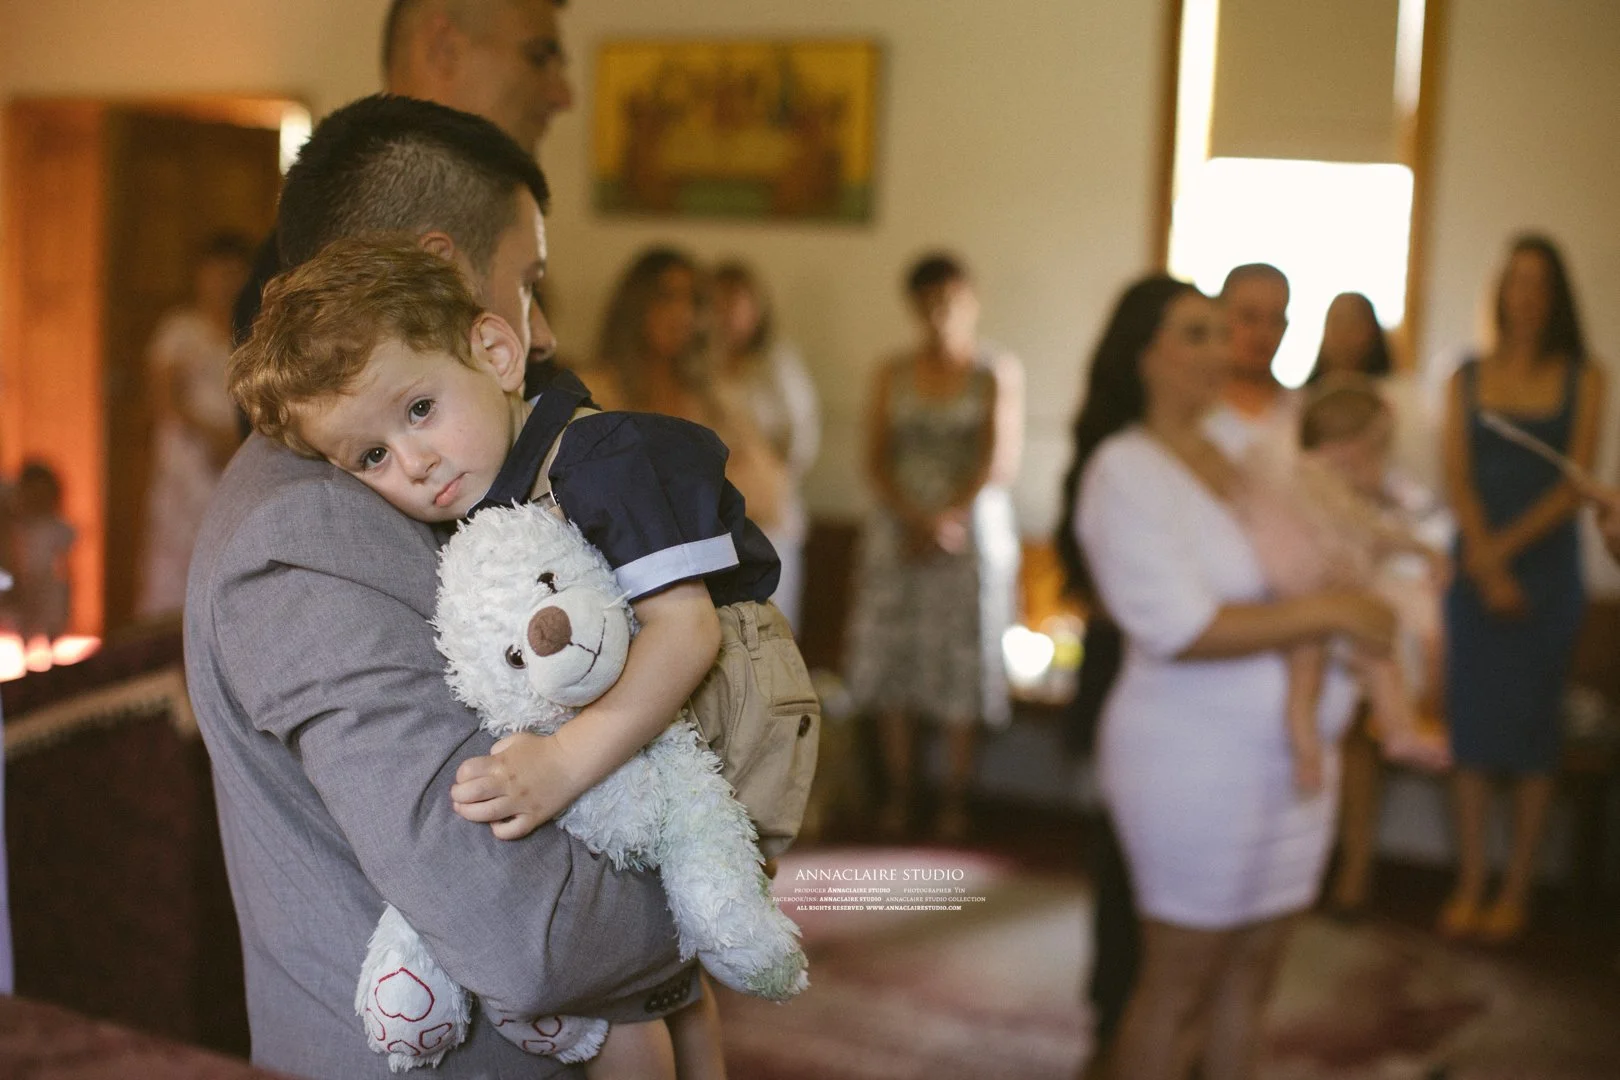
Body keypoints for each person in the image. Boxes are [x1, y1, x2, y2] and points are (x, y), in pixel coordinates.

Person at [185, 95, 696, 1079]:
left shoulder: (400, 480)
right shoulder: (308, 524)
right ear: (453, 268)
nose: (538, 332)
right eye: (528, 282)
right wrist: (721, 873)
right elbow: (522, 934)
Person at [230, 237, 791, 1078]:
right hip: (638, 708)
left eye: (418, 409)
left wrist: (564, 762)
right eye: (371, 457)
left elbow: (689, 632)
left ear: (495, 351)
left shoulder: (602, 458)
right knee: (647, 997)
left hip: (726, 703)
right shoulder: (489, 477)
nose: (413, 463)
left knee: (631, 982)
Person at [1057, 275, 1396, 1080]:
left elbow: (1324, 549)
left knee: (1254, 979)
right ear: (1143, 357)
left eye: (1222, 333)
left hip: (1290, 757)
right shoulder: (1123, 470)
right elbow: (1178, 626)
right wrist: (1334, 614)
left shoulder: (1252, 450)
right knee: (1179, 984)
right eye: (1196, 335)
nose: (1222, 350)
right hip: (1189, 761)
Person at [1438, 233, 1605, 944]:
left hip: (1544, 572)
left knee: (1534, 736)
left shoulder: (1585, 375)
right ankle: (1472, 879)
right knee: (1471, 736)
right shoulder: (1465, 375)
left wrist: (1504, 555)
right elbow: (1457, 472)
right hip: (1474, 569)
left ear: (1557, 295)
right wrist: (1482, 555)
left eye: (1539, 283)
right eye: (1515, 281)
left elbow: (1578, 481)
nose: (1525, 295)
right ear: (1500, 291)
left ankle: (1517, 887)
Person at [233, 0, 574, 343]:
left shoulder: (508, 248)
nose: (564, 96)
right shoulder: (309, 271)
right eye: (538, 57)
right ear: (445, 48)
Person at [843, 253, 1015, 843]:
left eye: (950, 298)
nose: (940, 311)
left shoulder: (995, 372)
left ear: (971, 299)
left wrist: (949, 517)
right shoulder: (892, 372)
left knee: (958, 666)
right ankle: (899, 793)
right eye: (928, 300)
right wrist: (915, 516)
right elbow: (874, 456)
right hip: (898, 532)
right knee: (895, 663)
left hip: (967, 536)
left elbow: (999, 458)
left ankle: (955, 801)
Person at [1233, 378, 1451, 794]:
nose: (1380, 465)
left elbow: (1375, 532)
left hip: (1342, 595)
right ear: (1349, 444)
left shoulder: (1338, 484)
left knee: (1380, 651)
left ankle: (1397, 731)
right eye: (1376, 451)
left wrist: (1424, 550)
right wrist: (1418, 548)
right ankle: (1306, 748)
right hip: (1307, 596)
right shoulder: (1309, 476)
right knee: (1308, 667)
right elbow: (1362, 530)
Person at [136, 233, 253, 619]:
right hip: (188, 458)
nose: (225, 282)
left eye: (235, 273)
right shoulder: (179, 329)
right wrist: (212, 436)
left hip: (239, 456)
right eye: (217, 273)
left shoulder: (251, 334)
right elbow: (165, 399)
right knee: (175, 556)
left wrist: (238, 441)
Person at [710, 260, 822, 632]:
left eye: (738, 303)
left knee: (770, 625)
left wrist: (761, 472)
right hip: (710, 519)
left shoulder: (777, 364)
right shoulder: (695, 367)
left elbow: (801, 441)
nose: (728, 314)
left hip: (766, 515)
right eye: (718, 302)